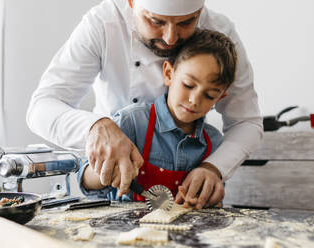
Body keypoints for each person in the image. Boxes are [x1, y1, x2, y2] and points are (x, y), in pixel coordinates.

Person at [26, 0, 263, 209]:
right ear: (130, 3)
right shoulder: (103, 23)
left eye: (186, 22)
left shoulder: (220, 31)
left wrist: (213, 168)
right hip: (113, 200)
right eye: (156, 21)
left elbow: (246, 121)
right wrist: (96, 127)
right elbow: (42, 107)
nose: (170, 37)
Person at [78, 29, 237, 207]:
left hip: (186, 233)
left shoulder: (214, 143)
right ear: (169, 74)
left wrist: (210, 197)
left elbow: (214, 200)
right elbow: (84, 181)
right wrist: (104, 174)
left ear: (220, 97)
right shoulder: (131, 122)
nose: (194, 100)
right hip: (124, 232)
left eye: (209, 95)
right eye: (188, 85)